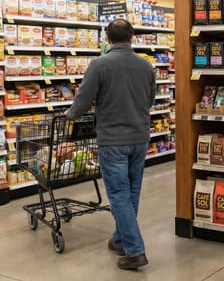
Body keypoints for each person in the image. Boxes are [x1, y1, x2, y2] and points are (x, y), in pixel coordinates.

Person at [66, 19, 155, 270]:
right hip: (139, 138)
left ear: (108, 39)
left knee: (118, 194)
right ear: (133, 37)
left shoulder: (99, 64)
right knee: (132, 191)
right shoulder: (146, 66)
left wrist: (70, 115)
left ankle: (135, 250)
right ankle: (120, 238)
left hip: (113, 141)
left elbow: (83, 100)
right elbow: (150, 100)